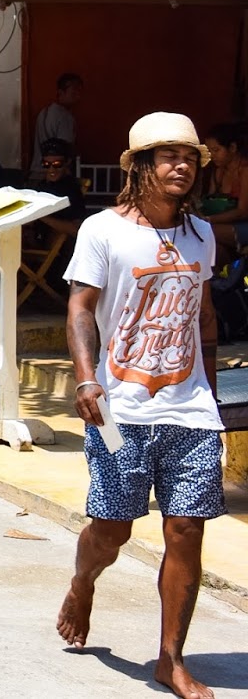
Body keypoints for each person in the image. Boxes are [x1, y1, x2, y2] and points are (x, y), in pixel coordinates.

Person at [57, 112, 222, 699]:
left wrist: (213, 382)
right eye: (168, 155)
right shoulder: (103, 230)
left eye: (189, 156)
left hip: (191, 407)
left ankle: (169, 659)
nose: (181, 165)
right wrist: (85, 379)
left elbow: (202, 314)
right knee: (112, 531)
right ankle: (82, 583)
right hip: (119, 409)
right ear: (141, 167)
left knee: (187, 529)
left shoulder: (202, 235)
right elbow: (81, 308)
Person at [201, 122, 248, 257]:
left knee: (204, 232)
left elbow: (242, 212)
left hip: (243, 224)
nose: (212, 156)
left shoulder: (245, 171)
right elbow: (209, 201)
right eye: (210, 151)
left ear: (232, 147)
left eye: (216, 150)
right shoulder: (218, 172)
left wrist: (207, 220)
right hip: (225, 224)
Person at [32, 137, 89, 238]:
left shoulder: (71, 189)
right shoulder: (42, 186)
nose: (51, 169)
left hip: (56, 248)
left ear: (67, 163)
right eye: (46, 164)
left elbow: (76, 229)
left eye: (57, 164)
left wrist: (41, 216)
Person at [32, 72, 83, 179]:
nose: (78, 97)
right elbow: (65, 149)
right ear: (61, 93)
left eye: (79, 92)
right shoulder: (65, 117)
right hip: (56, 174)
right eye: (73, 93)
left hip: (37, 171)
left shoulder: (44, 112)